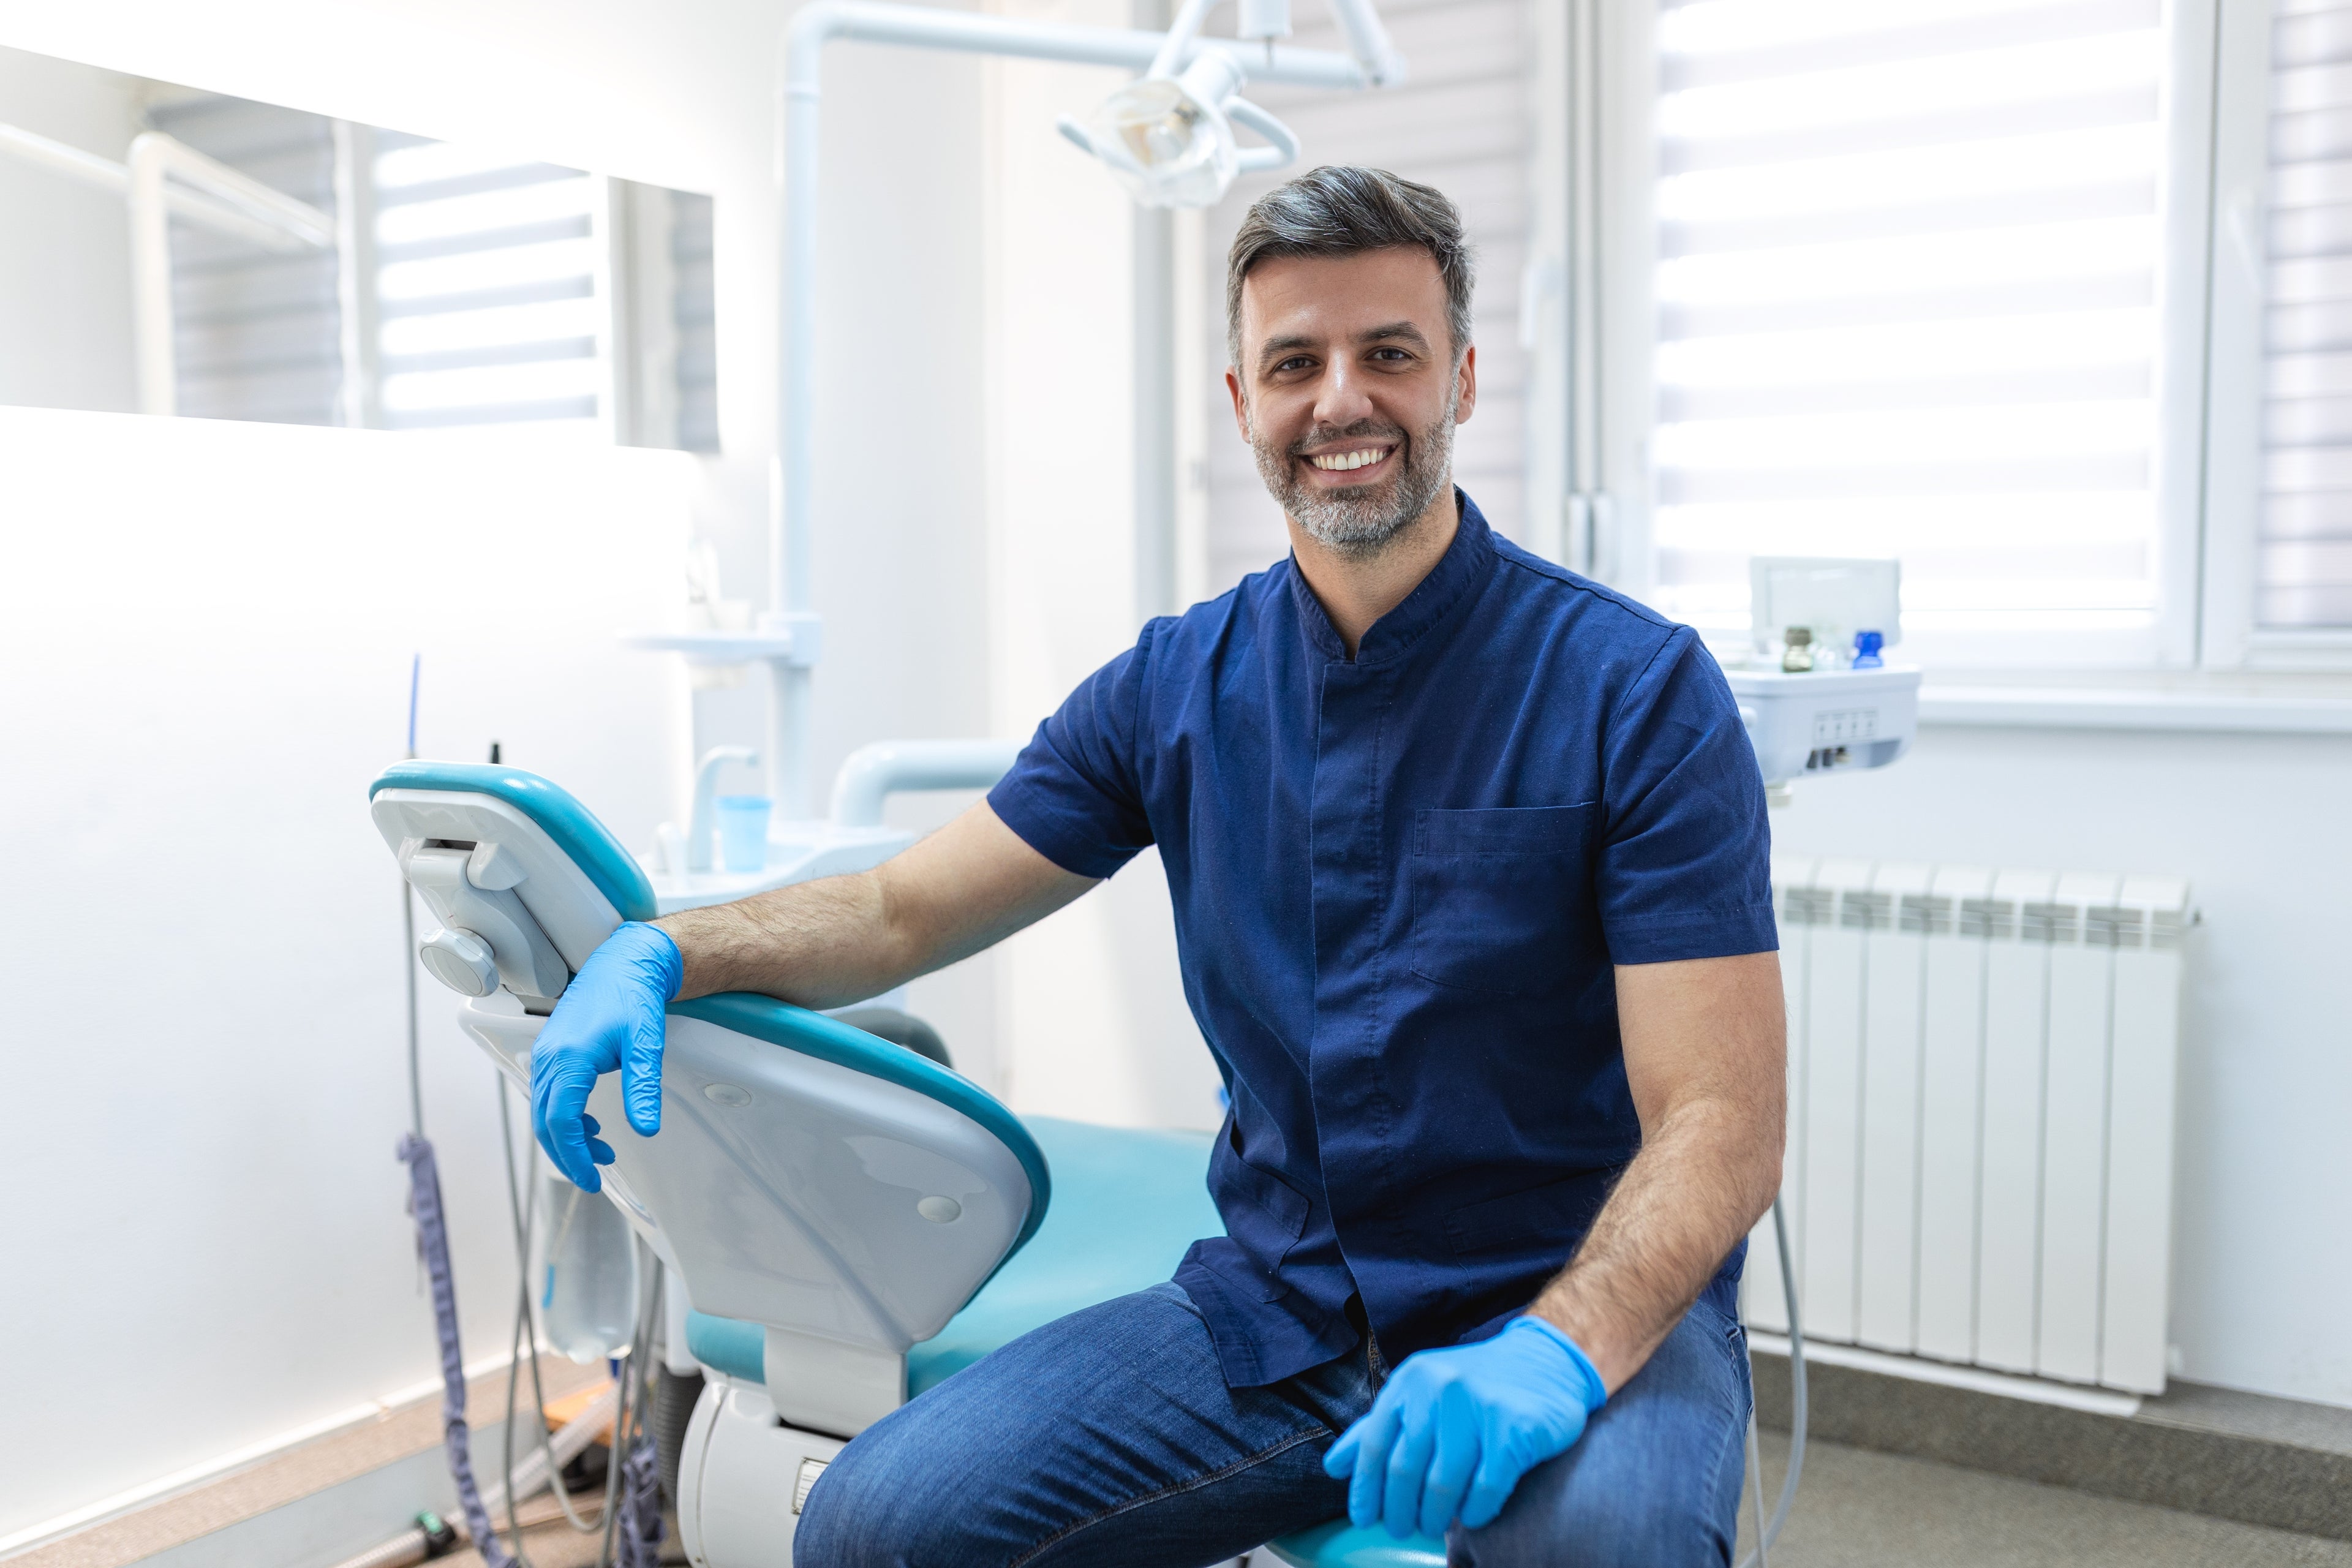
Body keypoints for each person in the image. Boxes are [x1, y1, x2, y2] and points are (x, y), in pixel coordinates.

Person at [530, 165, 1785, 1567]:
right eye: (1295, 362)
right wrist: (670, 947)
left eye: (1390, 354)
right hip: (1287, 1311)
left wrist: (1559, 1349)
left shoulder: (1634, 689)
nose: (1342, 401)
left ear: (1464, 381)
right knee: (875, 1522)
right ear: (1244, 400)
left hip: (1570, 1297)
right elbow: (899, 907)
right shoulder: (1177, 685)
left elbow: (1722, 1117)